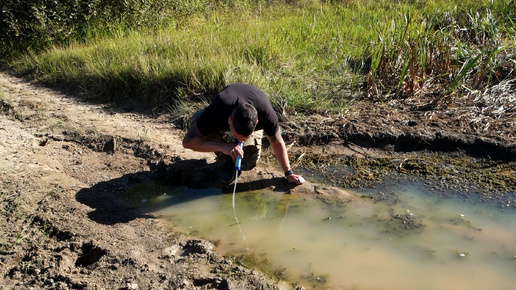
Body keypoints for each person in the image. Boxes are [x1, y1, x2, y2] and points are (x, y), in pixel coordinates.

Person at [182, 83, 305, 186]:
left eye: (244, 138)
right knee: (196, 121)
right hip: (223, 110)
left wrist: (289, 173)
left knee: (247, 160)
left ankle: (233, 162)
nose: (240, 140)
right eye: (237, 136)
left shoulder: (266, 115)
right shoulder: (218, 110)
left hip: (253, 108)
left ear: (256, 123)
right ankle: (227, 160)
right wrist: (222, 147)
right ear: (229, 121)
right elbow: (188, 142)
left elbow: (277, 142)